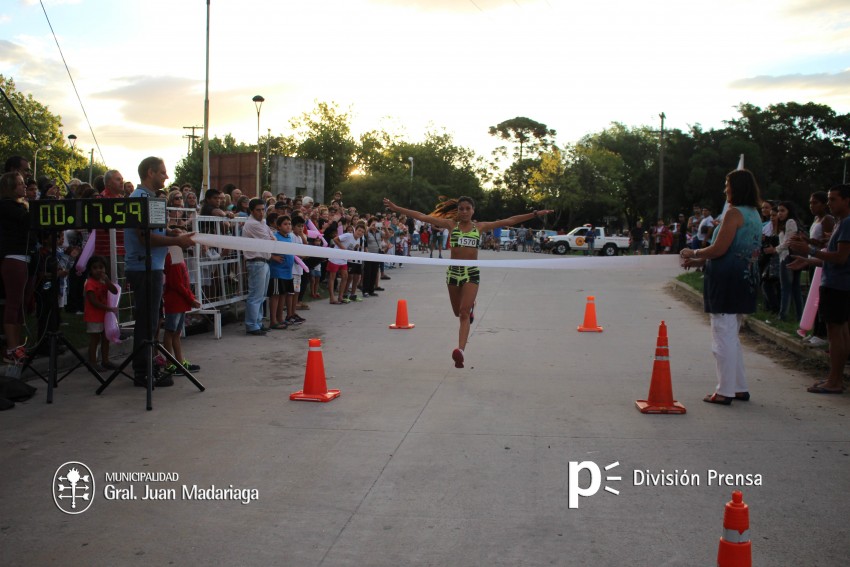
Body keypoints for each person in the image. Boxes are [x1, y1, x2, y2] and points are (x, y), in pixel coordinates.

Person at [383, 196, 552, 368]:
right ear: (458, 211)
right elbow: (422, 216)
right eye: (461, 208)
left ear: (473, 210)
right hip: (453, 274)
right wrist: (397, 207)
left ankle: (460, 351)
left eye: (467, 208)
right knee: (458, 312)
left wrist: (535, 214)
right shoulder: (451, 225)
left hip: (471, 273)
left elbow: (509, 220)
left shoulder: (479, 227)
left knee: (463, 314)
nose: (464, 212)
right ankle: (471, 307)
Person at [680, 169, 763, 405]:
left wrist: (693, 251)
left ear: (736, 187)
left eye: (727, 184)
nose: (725, 189)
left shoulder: (733, 213)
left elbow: (719, 249)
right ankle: (738, 386)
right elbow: (732, 249)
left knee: (722, 337)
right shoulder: (754, 214)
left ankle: (724, 390)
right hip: (744, 279)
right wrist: (698, 261)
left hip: (727, 281)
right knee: (731, 335)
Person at [124, 157, 195, 387]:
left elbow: (155, 229)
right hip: (142, 266)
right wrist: (177, 242)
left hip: (153, 267)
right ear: (150, 172)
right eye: (162, 172)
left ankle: (149, 364)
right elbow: (144, 237)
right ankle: (142, 371)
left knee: (153, 319)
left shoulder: (151, 199)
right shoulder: (139, 199)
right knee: (147, 320)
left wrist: (171, 232)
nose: (166, 176)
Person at [789, 184, 850, 394]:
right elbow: (833, 259)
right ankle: (835, 378)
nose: (830, 203)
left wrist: (810, 250)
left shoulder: (847, 223)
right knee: (840, 331)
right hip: (837, 283)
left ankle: (835, 381)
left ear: (847, 200)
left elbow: (841, 258)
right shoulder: (842, 223)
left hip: (837, 286)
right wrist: (807, 261)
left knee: (836, 333)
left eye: (834, 199)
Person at [0, 172, 34, 363]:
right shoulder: (7, 206)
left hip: (24, 257)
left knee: (21, 303)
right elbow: (27, 221)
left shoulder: (19, 206)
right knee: (13, 303)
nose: (24, 186)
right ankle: (12, 347)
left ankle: (18, 344)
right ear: (10, 187)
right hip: (14, 258)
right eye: (21, 184)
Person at [162, 247, 202, 375]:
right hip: (175, 301)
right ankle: (169, 364)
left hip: (180, 301)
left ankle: (179, 362)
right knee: (170, 332)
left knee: (176, 333)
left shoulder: (176, 254)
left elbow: (182, 281)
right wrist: (190, 298)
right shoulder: (173, 256)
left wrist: (190, 298)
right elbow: (177, 283)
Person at [241, 198, 274, 335]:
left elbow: (273, 238)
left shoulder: (262, 223)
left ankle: (257, 322)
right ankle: (252, 324)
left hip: (263, 260)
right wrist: (271, 238)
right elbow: (270, 240)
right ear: (252, 211)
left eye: (263, 210)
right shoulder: (253, 224)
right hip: (256, 261)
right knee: (256, 295)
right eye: (258, 210)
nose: (261, 213)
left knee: (261, 295)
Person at [83, 256, 118, 371]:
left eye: (101, 267)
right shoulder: (90, 283)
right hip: (94, 316)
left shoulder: (103, 282)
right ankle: (92, 362)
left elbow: (115, 291)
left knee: (105, 338)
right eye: (95, 268)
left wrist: (107, 281)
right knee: (95, 339)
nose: (99, 270)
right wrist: (108, 308)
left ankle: (105, 360)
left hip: (104, 316)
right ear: (90, 270)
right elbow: (93, 301)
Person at [774, 201, 803, 322]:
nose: (779, 213)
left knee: (786, 287)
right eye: (778, 211)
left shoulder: (790, 222)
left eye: (782, 210)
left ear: (789, 211)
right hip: (787, 256)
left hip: (787, 256)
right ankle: (799, 316)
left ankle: (783, 316)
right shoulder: (783, 224)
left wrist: (776, 249)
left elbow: (788, 242)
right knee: (795, 287)